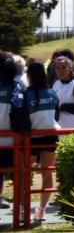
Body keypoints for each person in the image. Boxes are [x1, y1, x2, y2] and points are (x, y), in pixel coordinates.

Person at [24, 62, 60, 221]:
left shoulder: (26, 94)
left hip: (31, 137)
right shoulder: (52, 93)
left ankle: (22, 209)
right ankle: (41, 210)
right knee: (47, 173)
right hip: (50, 136)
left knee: (24, 173)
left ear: (29, 75)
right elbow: (56, 116)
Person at [0, 53, 28, 210]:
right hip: (11, 140)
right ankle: (22, 208)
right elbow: (18, 108)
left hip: (8, 139)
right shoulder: (16, 85)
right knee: (19, 173)